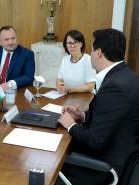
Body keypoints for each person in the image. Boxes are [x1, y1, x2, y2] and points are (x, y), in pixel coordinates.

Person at [56, 28, 139, 185]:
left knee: (50, 161)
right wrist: (82, 116)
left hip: (104, 167)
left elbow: (95, 140)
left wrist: (71, 125)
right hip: (117, 149)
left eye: (92, 49)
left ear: (99, 52)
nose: (91, 54)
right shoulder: (124, 75)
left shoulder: (116, 86)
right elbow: (111, 118)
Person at [56, 29, 96, 94]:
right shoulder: (65, 59)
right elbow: (59, 79)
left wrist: (70, 90)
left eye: (75, 42)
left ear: (81, 44)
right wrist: (59, 86)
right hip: (67, 96)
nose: (72, 46)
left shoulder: (88, 60)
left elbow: (90, 86)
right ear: (66, 45)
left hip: (85, 97)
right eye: (69, 43)